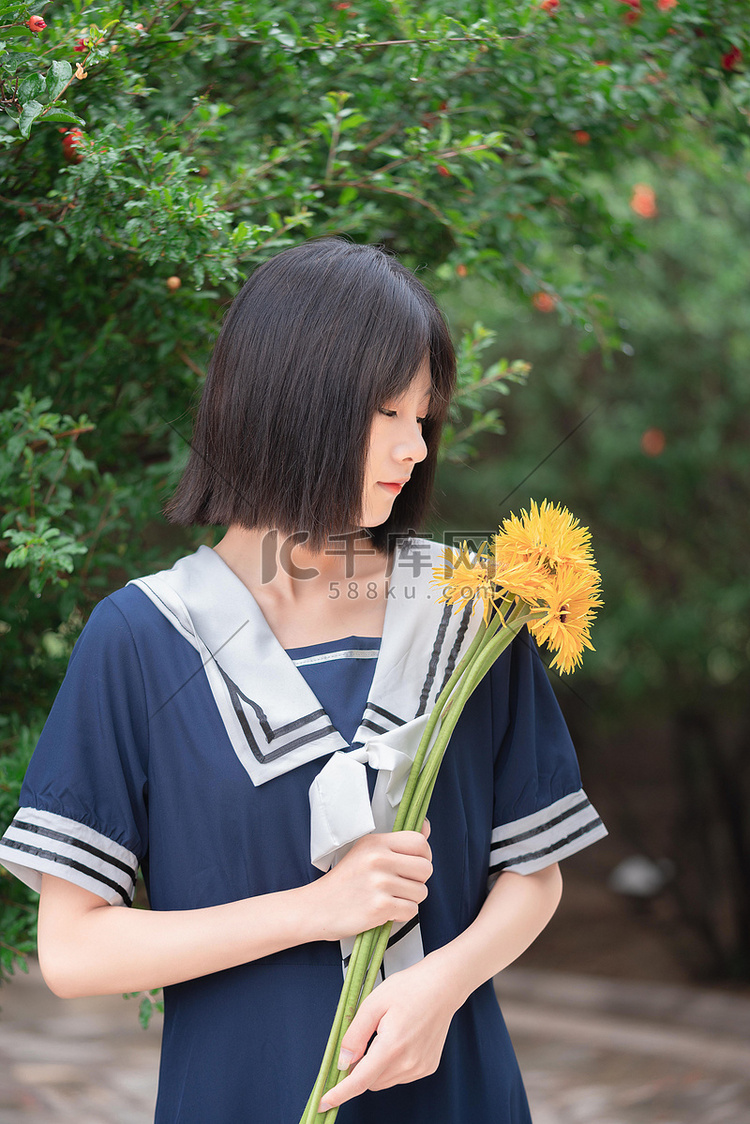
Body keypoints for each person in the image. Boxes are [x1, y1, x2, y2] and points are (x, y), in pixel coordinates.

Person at [0, 238, 608, 1123]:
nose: (413, 447)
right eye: (386, 413)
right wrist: (315, 909)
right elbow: (75, 951)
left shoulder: (474, 613)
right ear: (294, 404)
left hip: (460, 1097)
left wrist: (438, 986)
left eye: (424, 417)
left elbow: (533, 873)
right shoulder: (141, 640)